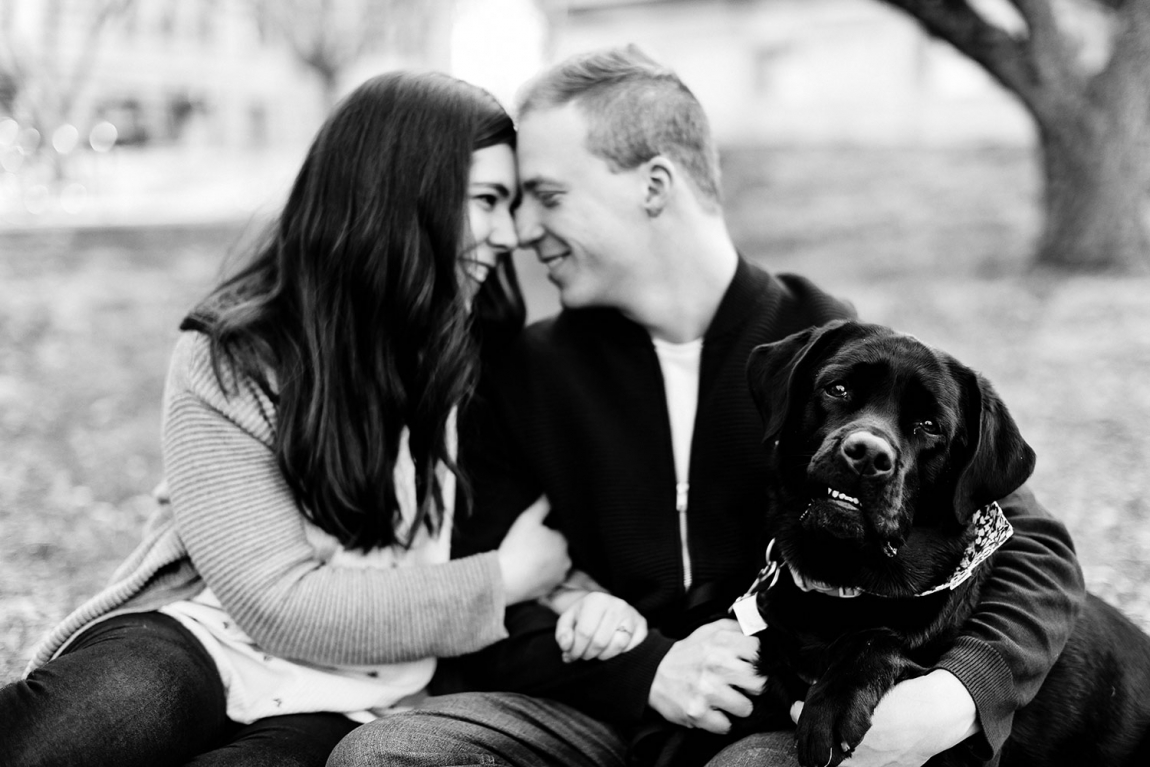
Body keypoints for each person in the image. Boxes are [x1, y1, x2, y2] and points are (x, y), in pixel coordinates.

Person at [327, 47, 1085, 767]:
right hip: (581, 705)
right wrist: (648, 670)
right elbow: (487, 604)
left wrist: (961, 692)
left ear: (654, 186)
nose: (523, 232)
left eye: (548, 197)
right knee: (383, 754)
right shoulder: (524, 372)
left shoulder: (830, 355)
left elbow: (1030, 544)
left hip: (762, 714)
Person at [0, 71, 575, 767]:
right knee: (106, 712)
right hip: (210, 631)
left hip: (364, 691)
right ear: (400, 196)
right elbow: (276, 602)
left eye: (509, 205)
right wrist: (502, 580)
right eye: (486, 201)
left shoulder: (491, 357)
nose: (509, 234)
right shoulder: (235, 355)